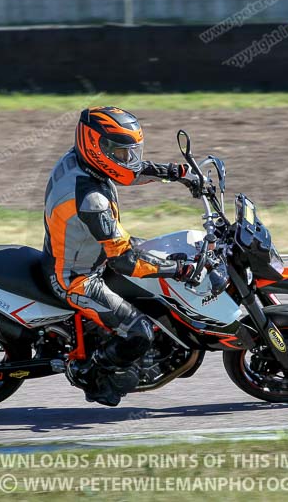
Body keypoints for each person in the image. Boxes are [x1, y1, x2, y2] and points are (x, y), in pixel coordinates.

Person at [42, 106, 198, 406]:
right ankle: (94, 374)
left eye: (130, 151)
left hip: (86, 252)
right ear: (96, 147)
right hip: (76, 278)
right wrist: (179, 270)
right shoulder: (92, 201)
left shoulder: (80, 161)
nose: (129, 159)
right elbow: (126, 261)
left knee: (156, 254)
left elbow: (128, 172)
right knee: (139, 332)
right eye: (121, 152)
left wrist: (176, 173)